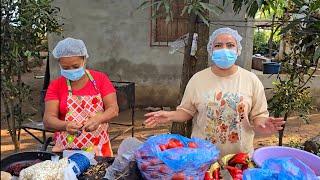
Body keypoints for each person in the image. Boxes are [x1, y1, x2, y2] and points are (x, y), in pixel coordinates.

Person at [144, 27, 285, 157]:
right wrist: (169, 116)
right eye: (218, 45)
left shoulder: (251, 80)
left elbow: (258, 115)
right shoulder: (198, 79)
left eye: (230, 45)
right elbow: (186, 111)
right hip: (203, 157)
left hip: (239, 158)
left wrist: (262, 125)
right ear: (211, 50)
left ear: (238, 49)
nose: (224, 49)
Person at [43, 37, 119, 157]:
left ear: (84, 60)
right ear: (59, 64)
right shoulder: (56, 85)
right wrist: (65, 125)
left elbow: (113, 109)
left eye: (75, 66)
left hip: (98, 150)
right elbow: (48, 119)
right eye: (65, 68)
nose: (71, 71)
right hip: (66, 150)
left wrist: (99, 119)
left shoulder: (100, 79)